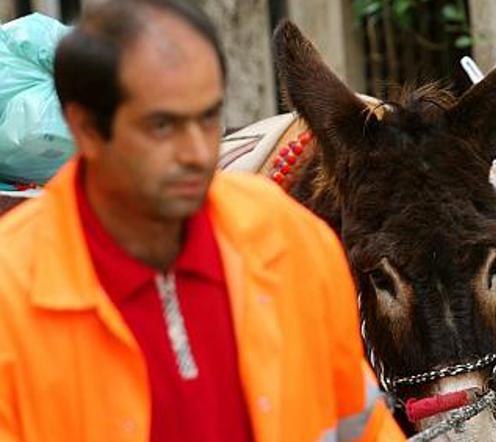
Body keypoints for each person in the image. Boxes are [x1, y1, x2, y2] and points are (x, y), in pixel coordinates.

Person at [0, 0, 403, 441]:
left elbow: (362, 426)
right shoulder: (13, 291)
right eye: (162, 126)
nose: (195, 152)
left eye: (208, 117)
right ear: (87, 130)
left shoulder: (291, 240)